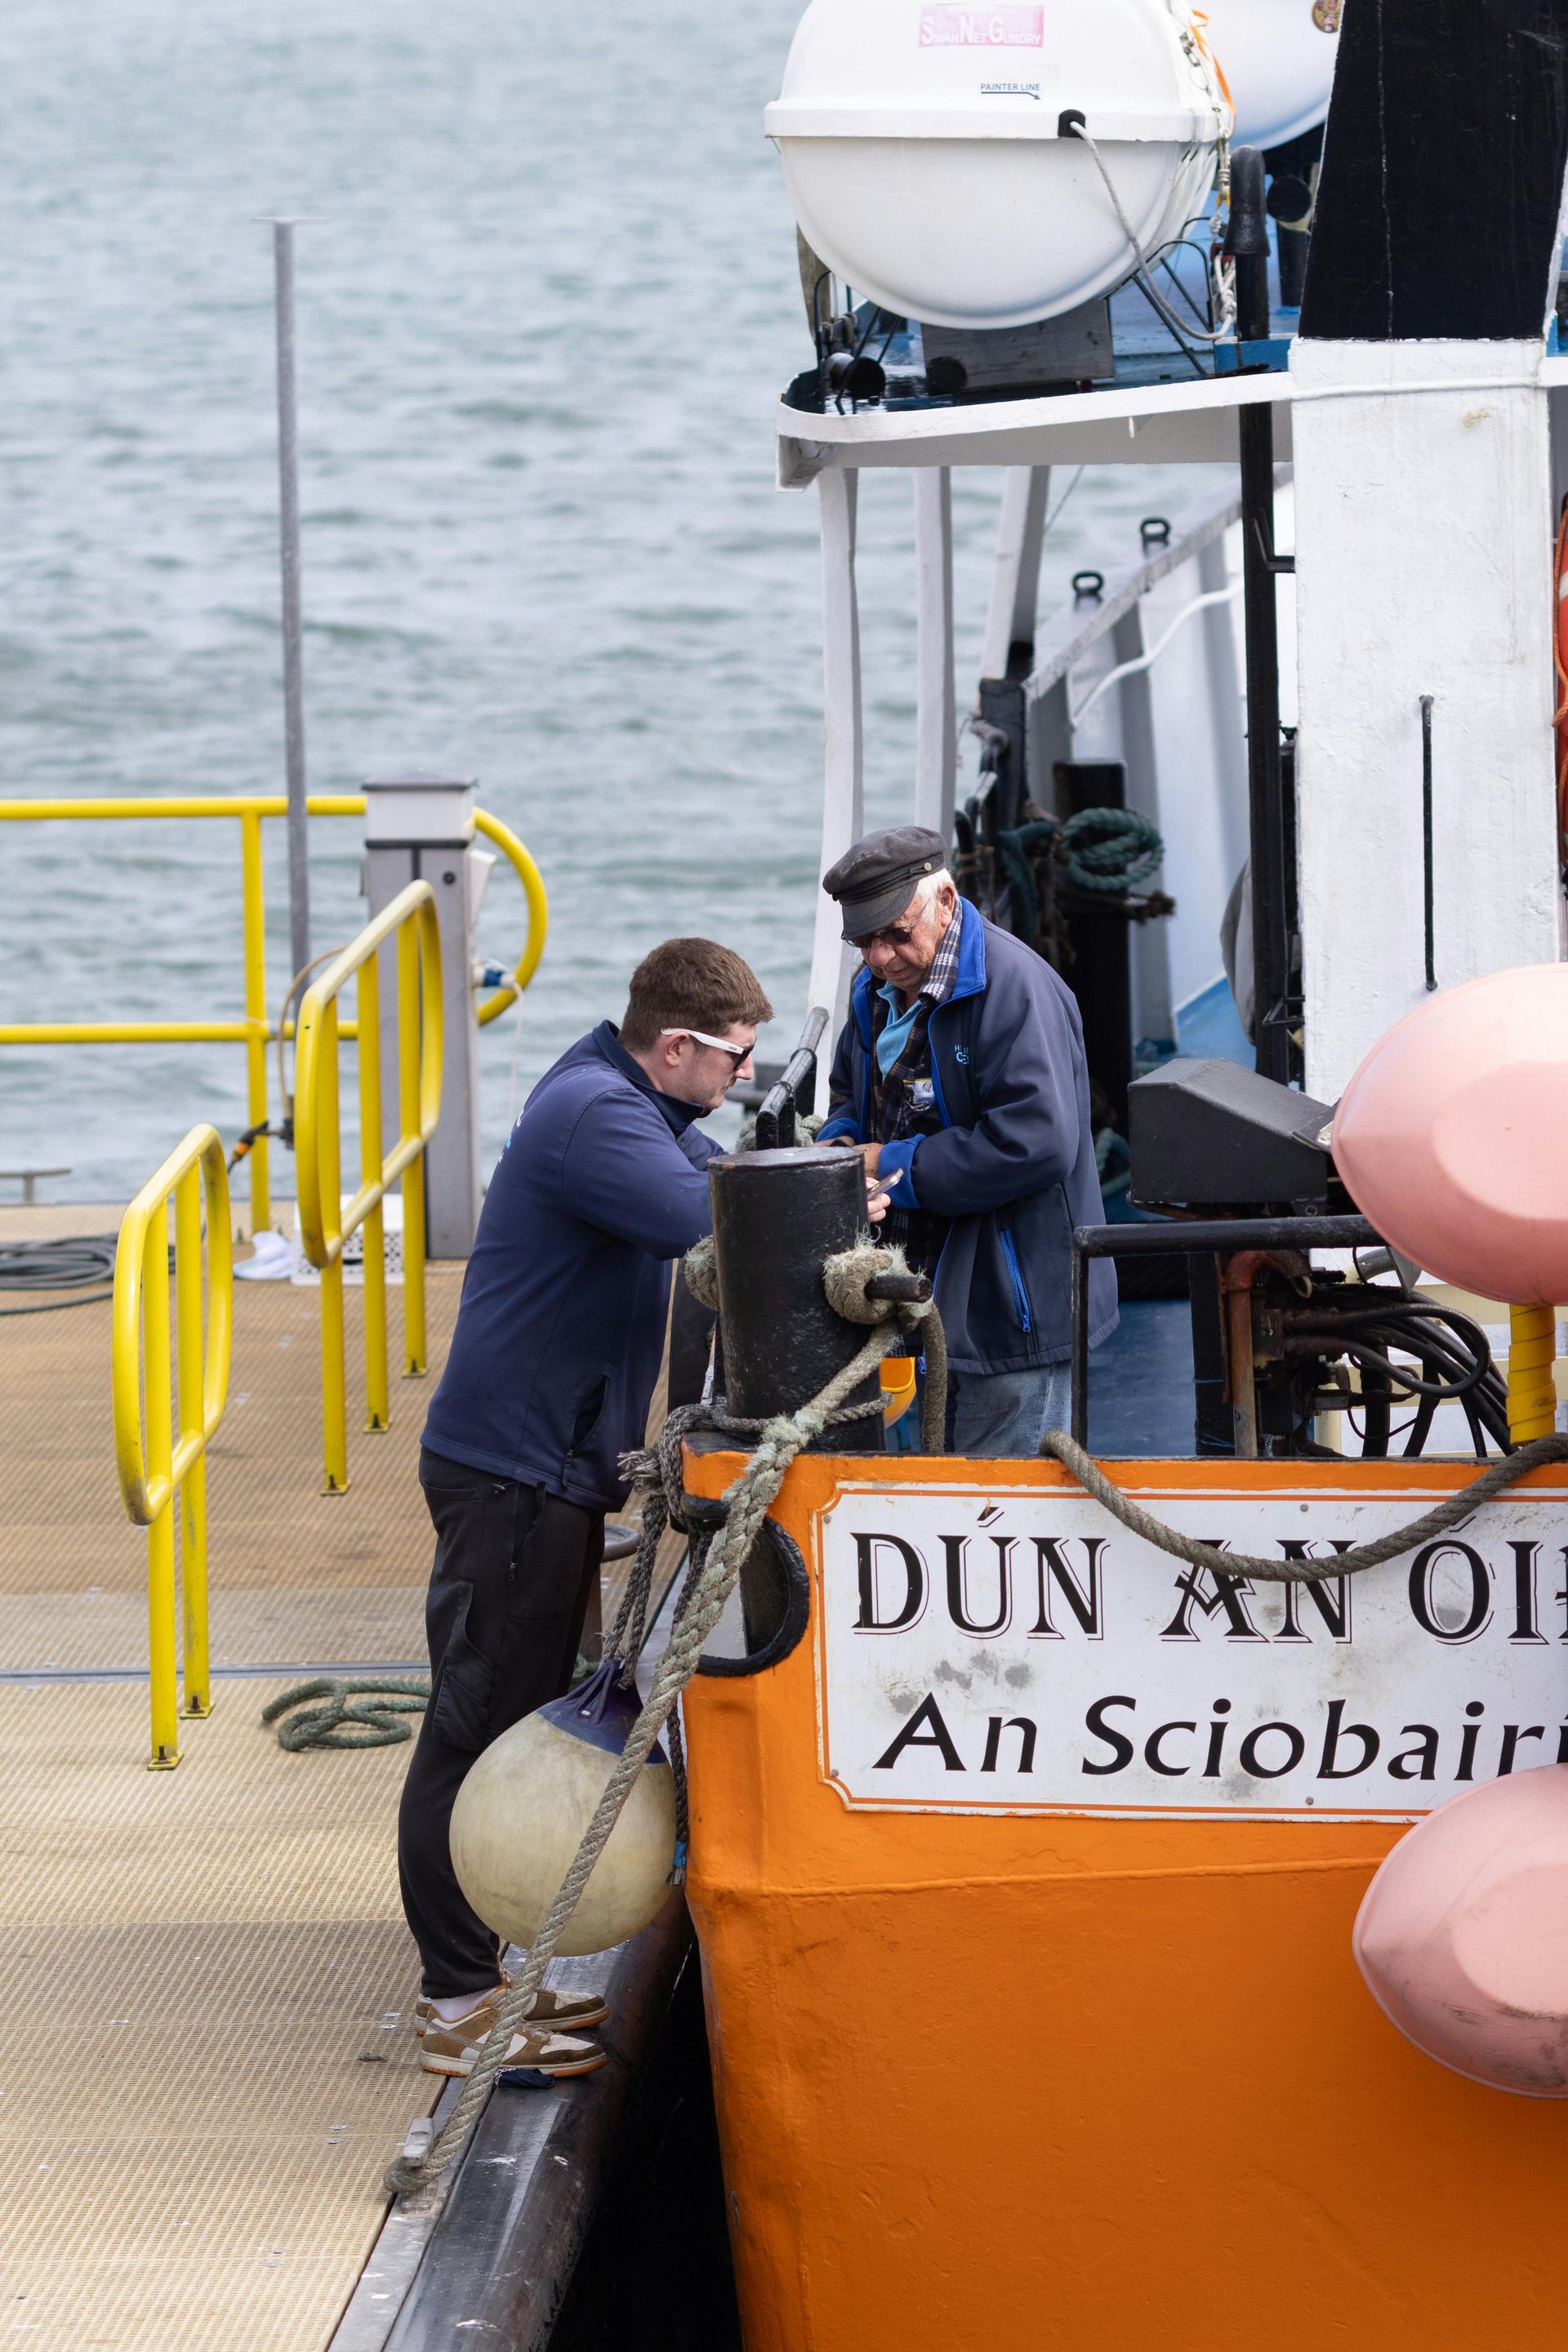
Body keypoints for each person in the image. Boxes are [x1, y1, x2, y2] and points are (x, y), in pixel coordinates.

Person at [399, 937, 773, 2082]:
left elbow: (727, 1179)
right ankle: (456, 1996)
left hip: (543, 1467)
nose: (745, 1082)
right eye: (737, 1062)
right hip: (513, 1473)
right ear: (678, 1048)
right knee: (475, 1723)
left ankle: (485, 1975)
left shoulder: (630, 1106)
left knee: (508, 1710)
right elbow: (726, 1235)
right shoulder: (597, 1119)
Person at [817, 823, 1118, 1456]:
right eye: (863, 940)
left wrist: (887, 1165)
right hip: (923, 1292)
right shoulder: (872, 992)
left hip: (1014, 1310)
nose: (879, 957)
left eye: (896, 933)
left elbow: (1036, 1143)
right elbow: (851, 1094)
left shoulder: (1015, 990)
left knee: (1003, 1505)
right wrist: (840, 1156)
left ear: (946, 900)